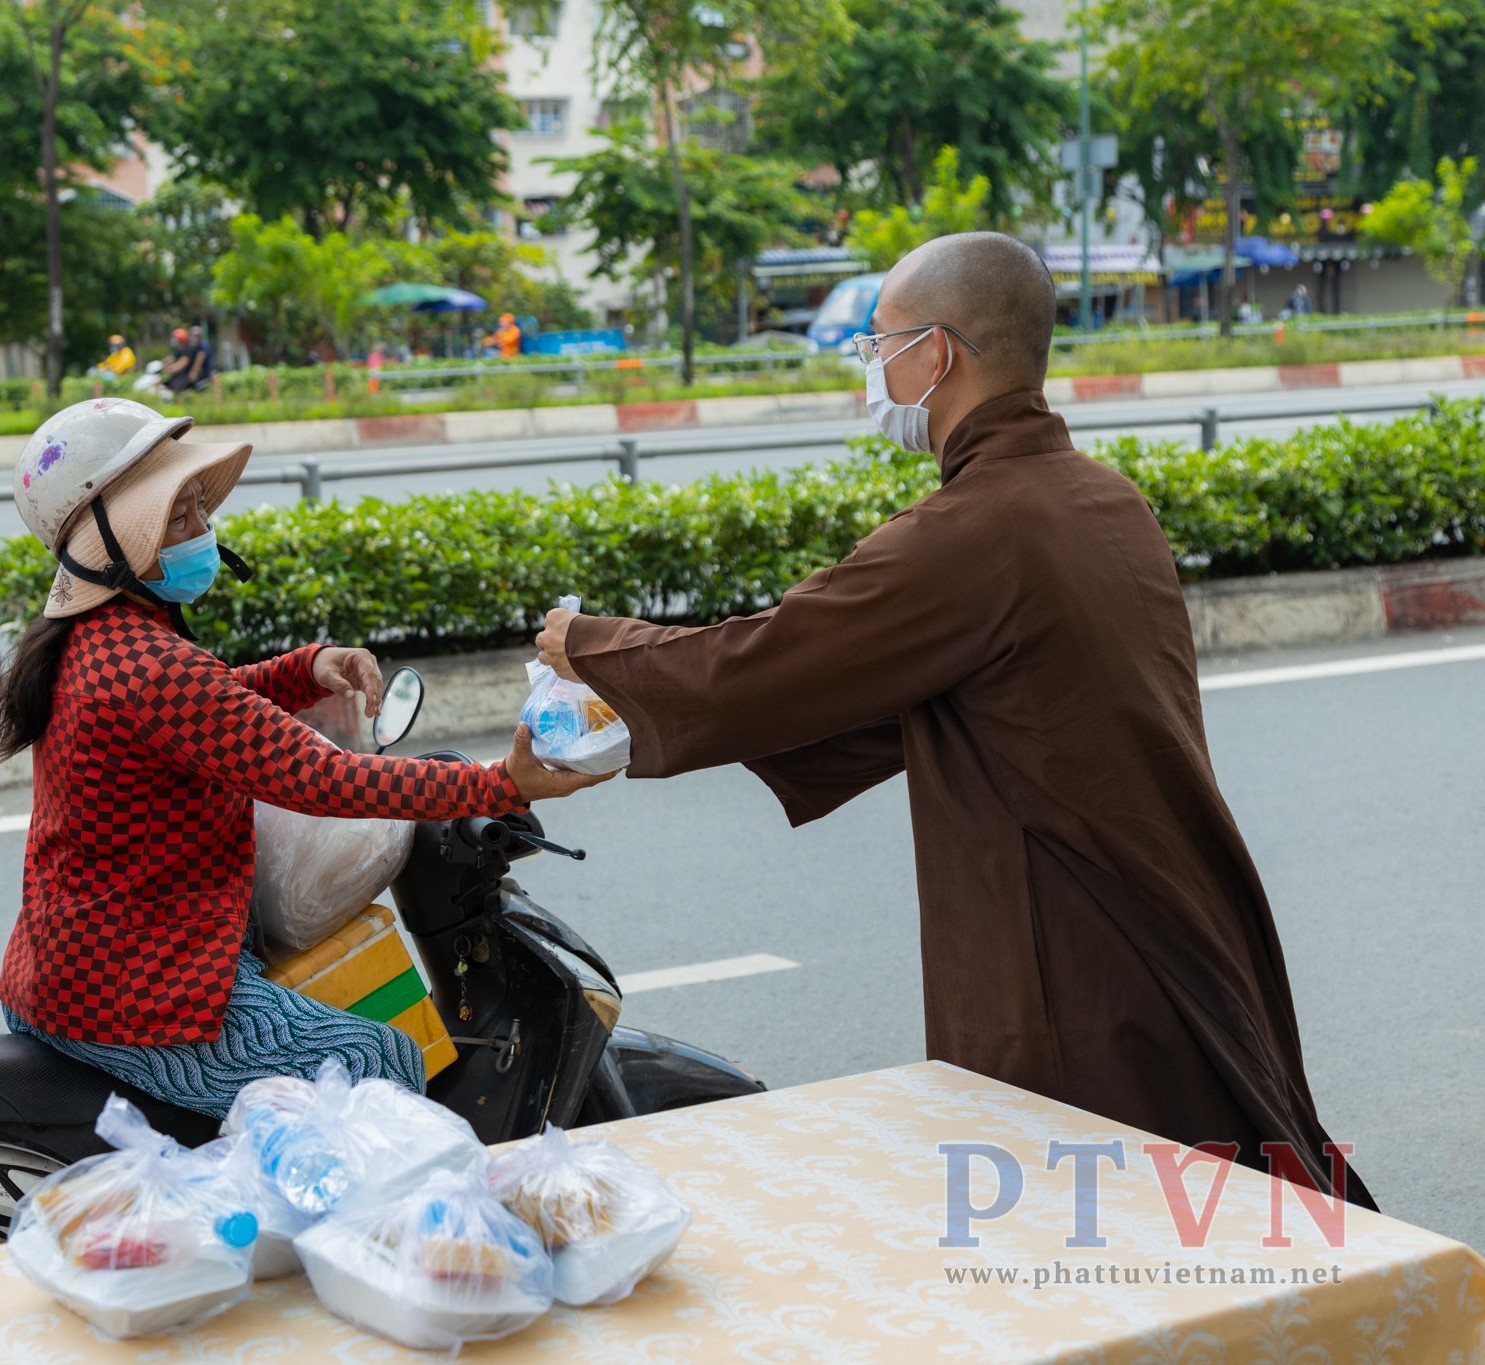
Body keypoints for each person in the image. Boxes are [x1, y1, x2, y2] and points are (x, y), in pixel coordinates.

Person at [533, 231, 1374, 1207]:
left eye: (876, 342)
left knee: (1087, 1227)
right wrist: (635, 724)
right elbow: (907, 699)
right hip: (1180, 919)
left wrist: (589, 648)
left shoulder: (976, 529)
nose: (869, 366)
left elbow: (769, 660)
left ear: (934, 353)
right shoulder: (1104, 500)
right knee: (1206, 1211)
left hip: (1074, 963)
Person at [0, 399, 613, 1116]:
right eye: (177, 518)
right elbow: (320, 778)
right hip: (134, 994)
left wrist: (305, 669)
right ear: (112, 546)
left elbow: (208, 711)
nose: (203, 531)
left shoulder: (104, 638)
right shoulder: (146, 663)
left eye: (199, 509)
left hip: (86, 969)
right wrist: (498, 782)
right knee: (377, 1061)